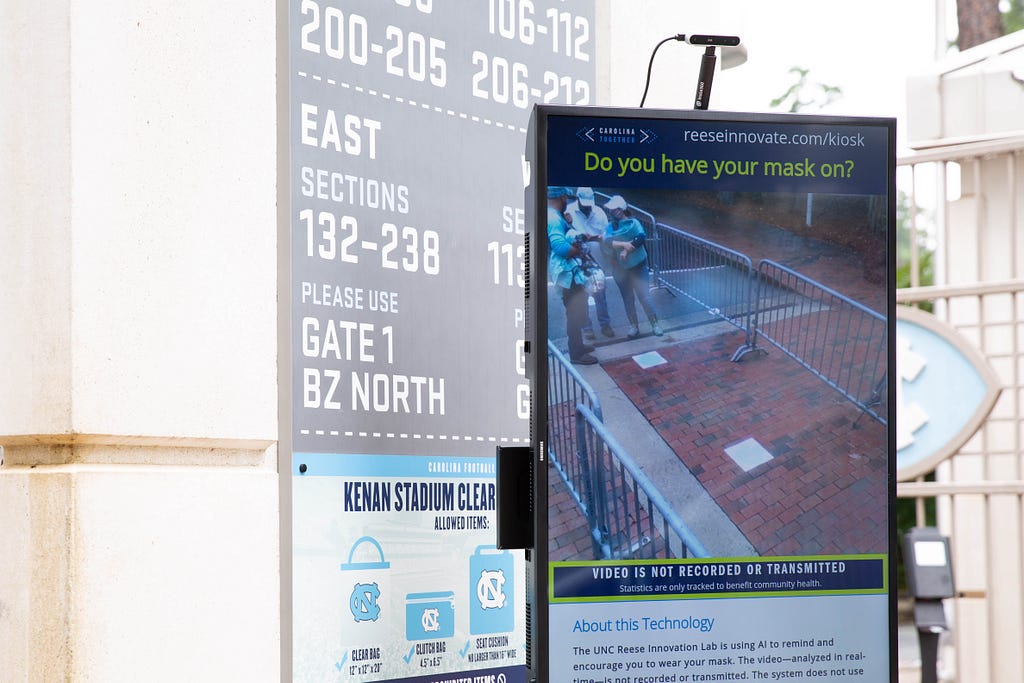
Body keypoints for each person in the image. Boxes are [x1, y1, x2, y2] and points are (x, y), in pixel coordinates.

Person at [547, 187, 598, 365]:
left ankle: (578, 346)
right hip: (567, 276)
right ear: (562, 197)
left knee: (578, 311)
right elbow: (560, 247)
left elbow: (569, 236)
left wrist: (568, 222)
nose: (567, 202)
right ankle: (576, 354)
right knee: (575, 314)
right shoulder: (553, 218)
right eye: (566, 198)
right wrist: (580, 251)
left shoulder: (555, 216)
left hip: (569, 275)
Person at [602, 195, 663, 338]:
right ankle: (634, 326)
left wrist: (627, 249)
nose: (612, 212)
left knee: (644, 297)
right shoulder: (610, 227)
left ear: (621, 210)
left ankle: (655, 324)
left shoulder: (633, 223)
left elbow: (640, 237)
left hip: (638, 266)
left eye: (615, 209)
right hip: (620, 270)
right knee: (628, 299)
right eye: (611, 210)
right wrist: (624, 245)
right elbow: (607, 241)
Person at [565, 187, 614, 340]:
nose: (587, 206)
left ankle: (605, 325)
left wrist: (600, 239)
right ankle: (587, 327)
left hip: (597, 259)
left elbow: (607, 234)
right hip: (578, 261)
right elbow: (566, 235)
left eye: (589, 204)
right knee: (582, 295)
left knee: (600, 295)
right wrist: (586, 237)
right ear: (578, 199)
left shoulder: (599, 212)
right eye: (583, 203)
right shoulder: (569, 211)